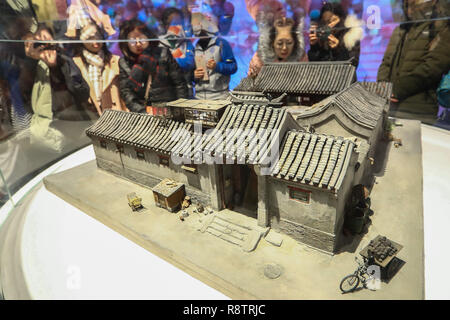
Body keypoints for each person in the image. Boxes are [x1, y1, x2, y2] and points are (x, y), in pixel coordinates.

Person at [377, 0, 450, 124]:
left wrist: (397, 90)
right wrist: (383, 89)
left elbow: (433, 67)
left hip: (418, 109)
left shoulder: (440, 27)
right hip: (389, 106)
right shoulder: (401, 28)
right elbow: (386, 62)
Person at [118, 19, 189, 113]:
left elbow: (180, 84)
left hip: (168, 109)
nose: (138, 44)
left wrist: (180, 109)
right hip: (144, 113)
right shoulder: (124, 62)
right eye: (132, 41)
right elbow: (127, 93)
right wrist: (143, 112)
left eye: (142, 39)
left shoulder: (162, 53)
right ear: (126, 43)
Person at [73, 23, 127, 117]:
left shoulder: (115, 60)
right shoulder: (76, 63)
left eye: (98, 36)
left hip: (116, 117)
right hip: (89, 117)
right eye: (89, 38)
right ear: (82, 41)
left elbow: (125, 92)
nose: (95, 42)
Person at [192, 12, 237, 100]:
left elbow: (233, 66)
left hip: (219, 97)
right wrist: (193, 75)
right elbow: (190, 71)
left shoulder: (221, 44)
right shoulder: (195, 46)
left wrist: (217, 66)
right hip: (199, 97)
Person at [308, 2, 363, 68]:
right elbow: (314, 66)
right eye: (326, 22)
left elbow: (353, 65)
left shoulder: (351, 36)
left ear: (342, 19)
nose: (330, 26)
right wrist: (314, 47)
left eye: (333, 21)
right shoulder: (322, 35)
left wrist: (338, 49)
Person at [160, 7, 196, 97]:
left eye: (178, 23)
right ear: (165, 26)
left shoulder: (187, 44)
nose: (175, 27)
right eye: (172, 24)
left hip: (187, 92)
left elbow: (189, 64)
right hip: (166, 92)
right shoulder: (159, 44)